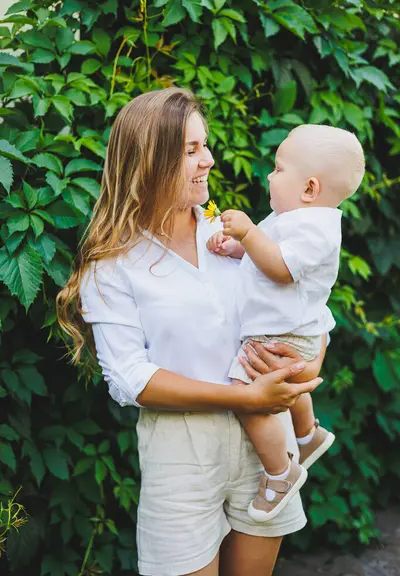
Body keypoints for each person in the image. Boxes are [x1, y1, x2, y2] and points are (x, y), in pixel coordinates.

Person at [56, 88, 325, 576]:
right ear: (150, 161)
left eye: (206, 145)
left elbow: (301, 303)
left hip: (267, 453)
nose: (210, 160)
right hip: (182, 452)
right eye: (191, 150)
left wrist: (310, 363)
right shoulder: (112, 265)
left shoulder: (233, 234)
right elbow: (130, 379)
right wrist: (245, 399)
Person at [206, 125, 365, 523]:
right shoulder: (291, 215)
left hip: (286, 332)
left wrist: (246, 230)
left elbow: (279, 267)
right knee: (285, 380)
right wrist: (238, 247)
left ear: (309, 188)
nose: (269, 176)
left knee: (249, 393)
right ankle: (308, 435)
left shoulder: (316, 227)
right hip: (289, 328)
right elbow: (269, 250)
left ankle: (280, 473)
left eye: (278, 169)